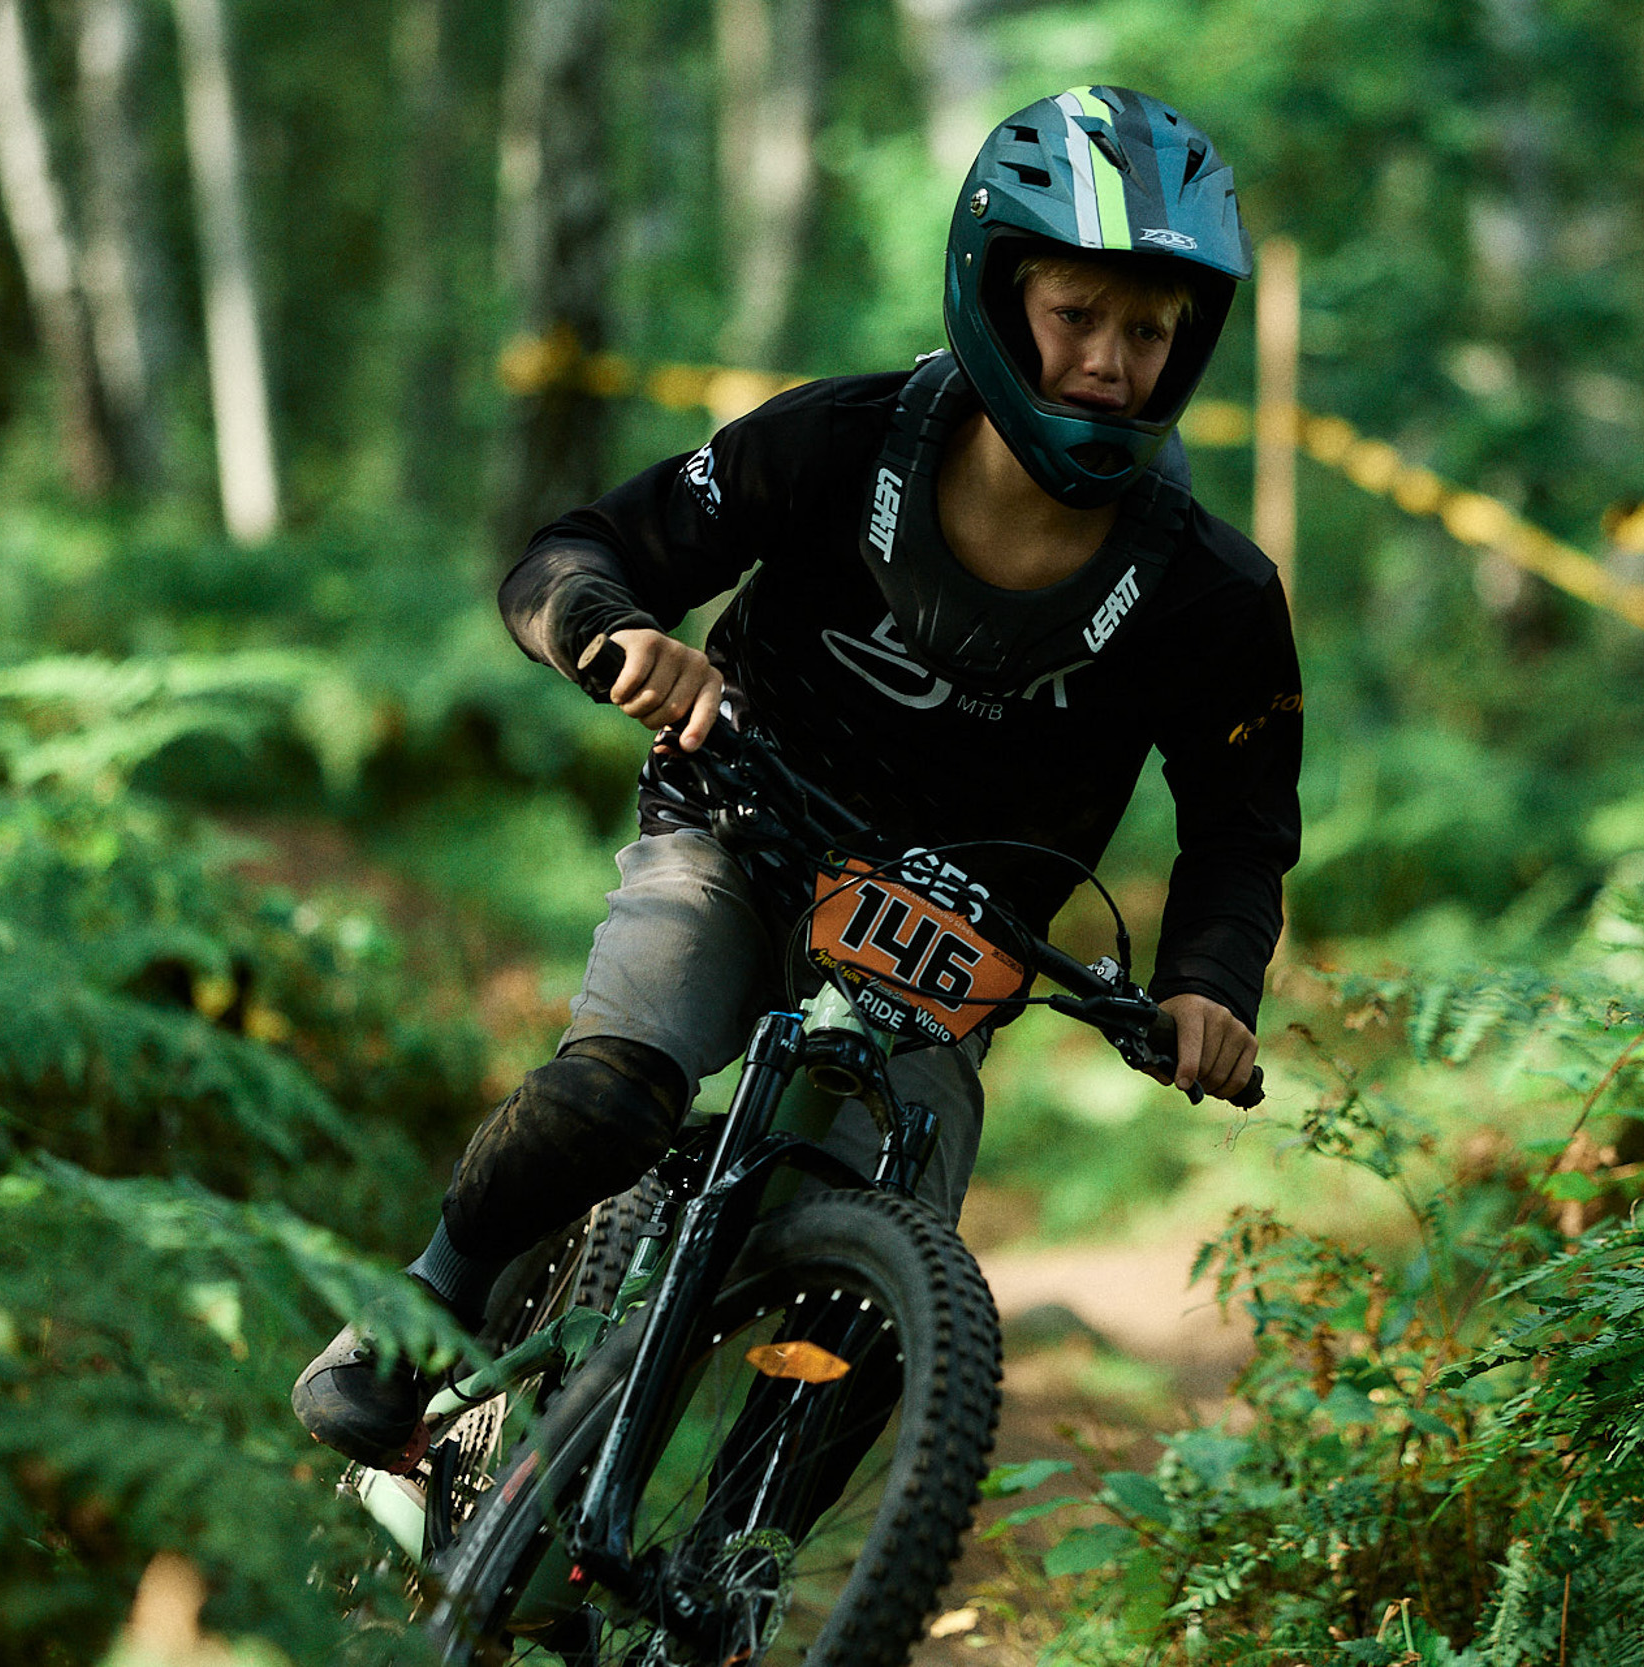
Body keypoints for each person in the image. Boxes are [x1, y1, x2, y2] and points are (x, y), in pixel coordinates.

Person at [293, 85, 1302, 1470]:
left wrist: (1209, 986)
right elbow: (575, 552)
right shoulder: (838, 440)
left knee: (891, 1297)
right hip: (739, 828)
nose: (1109, 364)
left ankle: (747, 1559)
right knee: (614, 1093)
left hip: (951, 945)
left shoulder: (1216, 598)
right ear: (997, 292)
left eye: (1149, 330)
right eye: (1077, 314)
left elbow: (1242, 827)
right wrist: (618, 633)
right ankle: (424, 1304)